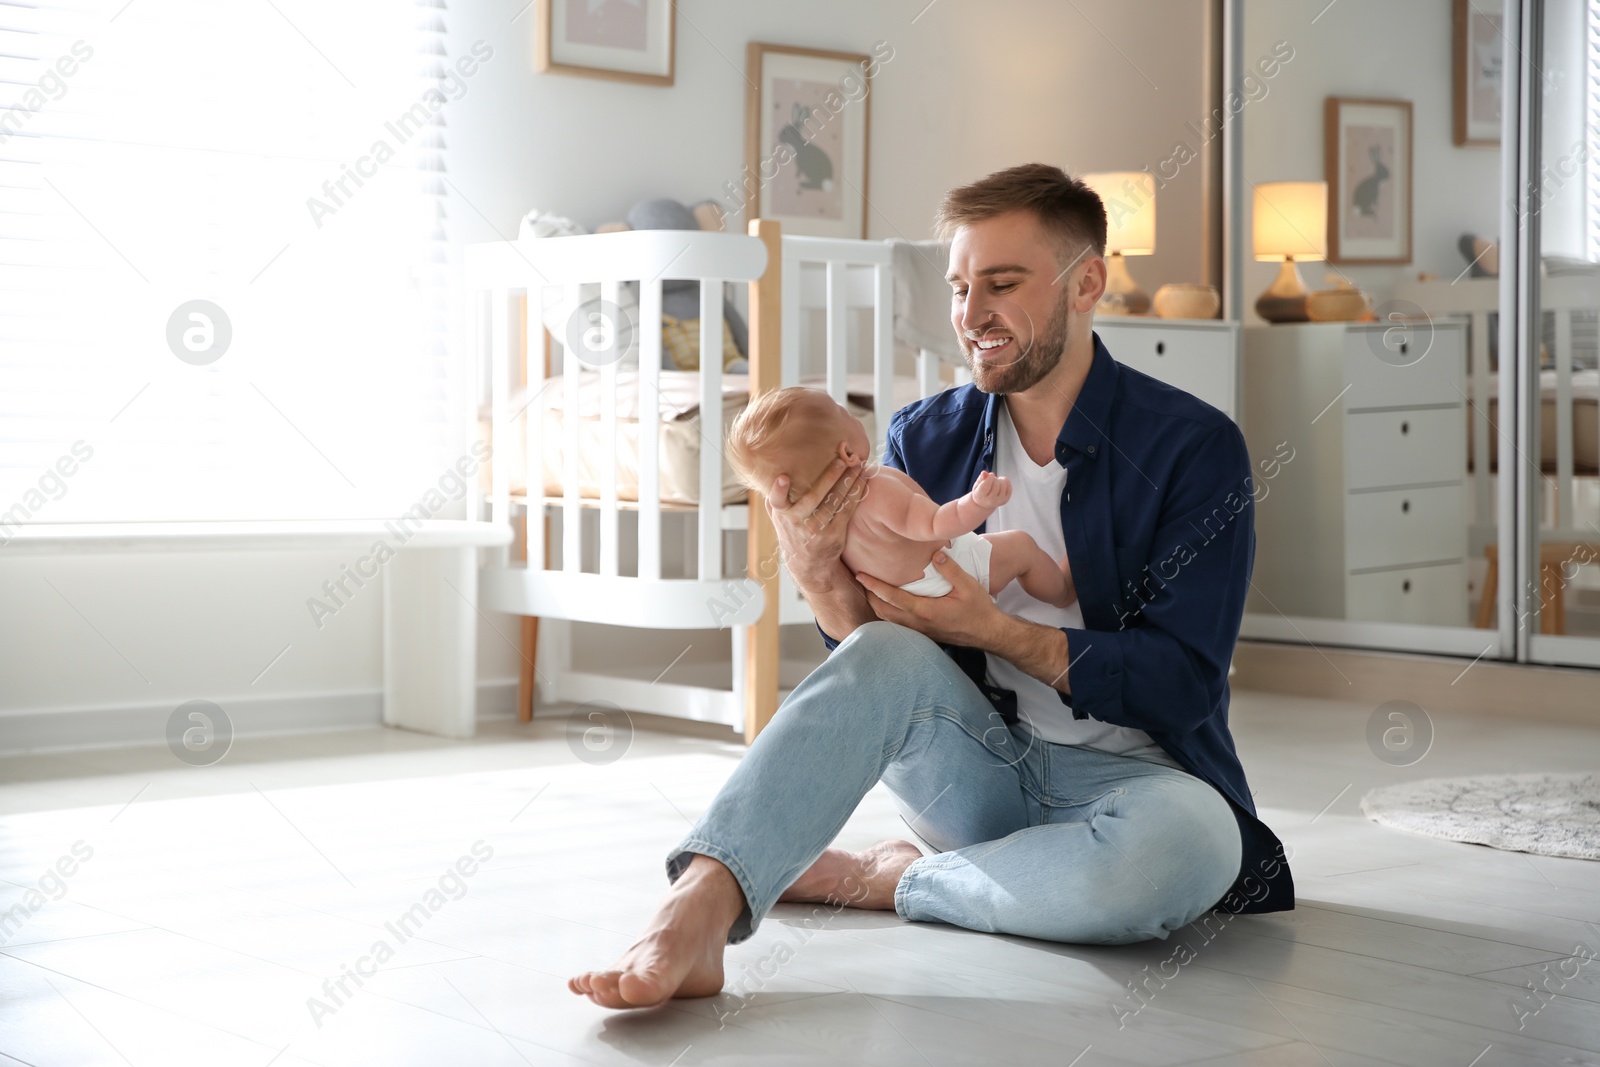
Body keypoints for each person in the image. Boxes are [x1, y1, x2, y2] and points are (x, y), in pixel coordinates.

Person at [569, 163, 1294, 1011]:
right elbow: (882, 662)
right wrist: (814, 573)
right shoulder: (926, 436)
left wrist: (999, 628)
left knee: (1199, 849)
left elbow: (1185, 681)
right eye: (958, 287)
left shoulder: (1193, 448)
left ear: (1087, 282)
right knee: (877, 648)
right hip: (977, 772)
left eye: (1003, 283)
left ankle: (896, 878)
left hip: (1138, 785)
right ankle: (699, 904)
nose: (971, 314)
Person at [724, 386, 1076, 608]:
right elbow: (938, 524)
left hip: (897, 603)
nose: (853, 414)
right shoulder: (878, 487)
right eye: (845, 412)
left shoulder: (826, 527)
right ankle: (1061, 591)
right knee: (1020, 547)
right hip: (949, 577)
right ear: (847, 452)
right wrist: (978, 502)